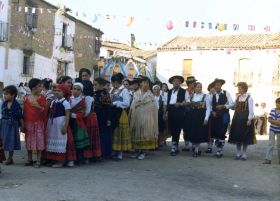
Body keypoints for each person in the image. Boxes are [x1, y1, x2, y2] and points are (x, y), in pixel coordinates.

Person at [130, 77, 158, 160]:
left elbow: (153, 107)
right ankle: (136, 151)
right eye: (144, 82)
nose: (146, 84)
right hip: (136, 117)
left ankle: (143, 152)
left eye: (147, 83)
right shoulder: (136, 94)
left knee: (144, 134)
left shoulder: (150, 95)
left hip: (147, 118)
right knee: (136, 133)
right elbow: (132, 105)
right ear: (140, 84)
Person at [45, 84, 71, 168]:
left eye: (59, 91)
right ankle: (53, 159)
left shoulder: (65, 103)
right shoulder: (53, 101)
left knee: (60, 140)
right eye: (55, 90)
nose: (56, 92)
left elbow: (68, 115)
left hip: (60, 123)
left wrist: (65, 126)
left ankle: (61, 161)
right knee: (52, 139)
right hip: (52, 123)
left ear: (64, 93)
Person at [23, 78, 47, 168]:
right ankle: (29, 159)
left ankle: (38, 160)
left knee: (39, 141)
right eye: (40, 86)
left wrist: (38, 106)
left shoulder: (42, 98)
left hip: (39, 123)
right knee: (29, 141)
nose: (42, 88)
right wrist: (23, 124)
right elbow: (24, 111)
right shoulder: (26, 98)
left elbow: (44, 110)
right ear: (34, 88)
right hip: (28, 123)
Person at [229, 82, 256, 161]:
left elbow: (251, 110)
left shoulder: (249, 98)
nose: (238, 89)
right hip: (237, 118)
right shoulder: (238, 97)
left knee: (245, 137)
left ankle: (244, 154)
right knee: (237, 136)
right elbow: (234, 106)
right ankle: (238, 153)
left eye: (240, 88)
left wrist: (249, 119)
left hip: (245, 118)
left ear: (244, 88)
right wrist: (226, 106)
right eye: (238, 88)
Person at [209, 78, 234, 158]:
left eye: (219, 85)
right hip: (214, 116)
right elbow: (208, 105)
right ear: (214, 86)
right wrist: (212, 112)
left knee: (222, 133)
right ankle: (217, 148)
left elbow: (232, 104)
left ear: (221, 85)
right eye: (216, 85)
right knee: (214, 132)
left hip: (224, 116)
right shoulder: (211, 94)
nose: (217, 86)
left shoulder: (226, 93)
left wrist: (223, 106)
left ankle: (219, 151)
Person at [0, 85, 24, 165]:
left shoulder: (16, 105)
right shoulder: (4, 104)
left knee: (11, 141)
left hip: (12, 125)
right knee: (3, 141)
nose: (5, 96)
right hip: (4, 124)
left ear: (13, 95)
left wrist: (22, 127)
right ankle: (3, 157)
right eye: (4, 94)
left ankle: (10, 158)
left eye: (6, 94)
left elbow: (20, 117)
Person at [110, 73, 132, 160]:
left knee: (120, 133)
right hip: (113, 112)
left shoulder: (124, 91)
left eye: (113, 82)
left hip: (120, 113)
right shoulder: (112, 90)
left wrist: (115, 103)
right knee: (114, 132)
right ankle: (114, 151)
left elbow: (127, 103)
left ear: (115, 82)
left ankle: (120, 153)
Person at [187, 82, 211, 157]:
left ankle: (197, 149)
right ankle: (196, 147)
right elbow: (188, 105)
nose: (199, 88)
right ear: (194, 88)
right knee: (193, 132)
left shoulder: (205, 96)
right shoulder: (191, 96)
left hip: (201, 116)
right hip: (192, 117)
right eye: (197, 87)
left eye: (200, 87)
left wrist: (206, 118)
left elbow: (208, 108)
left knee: (199, 132)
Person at [82, 80, 102, 162]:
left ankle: (88, 156)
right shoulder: (90, 97)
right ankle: (94, 155)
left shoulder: (87, 98)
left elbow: (86, 111)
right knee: (93, 137)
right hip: (92, 117)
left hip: (89, 118)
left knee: (89, 137)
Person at [93, 77, 113, 159]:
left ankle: (104, 153)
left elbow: (109, 107)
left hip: (103, 116)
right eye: (93, 85)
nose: (94, 86)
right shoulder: (96, 93)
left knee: (103, 135)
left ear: (101, 85)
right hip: (97, 116)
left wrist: (108, 119)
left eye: (96, 84)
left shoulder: (104, 93)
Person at [70, 83, 90, 163]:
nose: (75, 91)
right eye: (74, 89)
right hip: (69, 122)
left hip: (78, 122)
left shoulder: (82, 100)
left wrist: (72, 114)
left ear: (81, 91)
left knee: (78, 140)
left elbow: (83, 113)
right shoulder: (69, 99)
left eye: (78, 90)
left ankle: (79, 158)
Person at [166, 75, 186, 156]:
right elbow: (167, 102)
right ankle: (175, 145)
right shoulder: (169, 91)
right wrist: (166, 112)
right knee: (171, 128)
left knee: (177, 129)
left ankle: (174, 147)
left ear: (180, 83)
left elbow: (187, 102)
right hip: (171, 110)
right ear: (172, 83)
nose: (176, 82)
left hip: (179, 111)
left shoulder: (184, 91)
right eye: (174, 81)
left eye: (178, 81)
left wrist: (180, 104)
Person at [182, 76, 197, 152]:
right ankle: (187, 145)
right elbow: (186, 102)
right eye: (192, 83)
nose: (193, 84)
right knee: (186, 129)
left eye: (194, 83)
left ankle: (194, 145)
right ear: (188, 84)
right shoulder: (185, 91)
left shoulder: (197, 91)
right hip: (187, 113)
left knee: (194, 128)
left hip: (195, 113)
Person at [264, 98, 280, 164]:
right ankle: (268, 159)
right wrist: (276, 122)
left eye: (279, 103)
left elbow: (271, 120)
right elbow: (269, 120)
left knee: (279, 146)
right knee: (270, 144)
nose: (277, 104)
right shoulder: (272, 110)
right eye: (276, 103)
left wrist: (272, 121)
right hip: (272, 130)